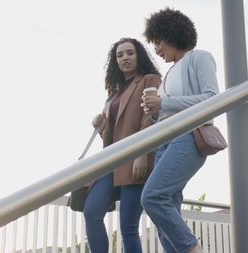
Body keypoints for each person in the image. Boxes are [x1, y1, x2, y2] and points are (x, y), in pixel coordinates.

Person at [140, 8, 220, 253]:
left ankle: (192, 249)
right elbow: (168, 116)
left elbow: (212, 99)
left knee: (152, 197)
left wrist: (163, 102)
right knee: (168, 206)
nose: (157, 49)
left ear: (171, 35)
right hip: (166, 143)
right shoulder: (168, 75)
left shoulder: (199, 58)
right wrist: (153, 112)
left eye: (158, 42)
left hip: (188, 138)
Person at [83, 37, 161, 253]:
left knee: (128, 227)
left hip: (136, 159)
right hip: (112, 161)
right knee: (91, 212)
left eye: (130, 53)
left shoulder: (150, 79)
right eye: (120, 55)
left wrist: (142, 154)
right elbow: (112, 137)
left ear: (139, 55)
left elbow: (150, 120)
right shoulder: (114, 94)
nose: (125, 58)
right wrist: (102, 127)